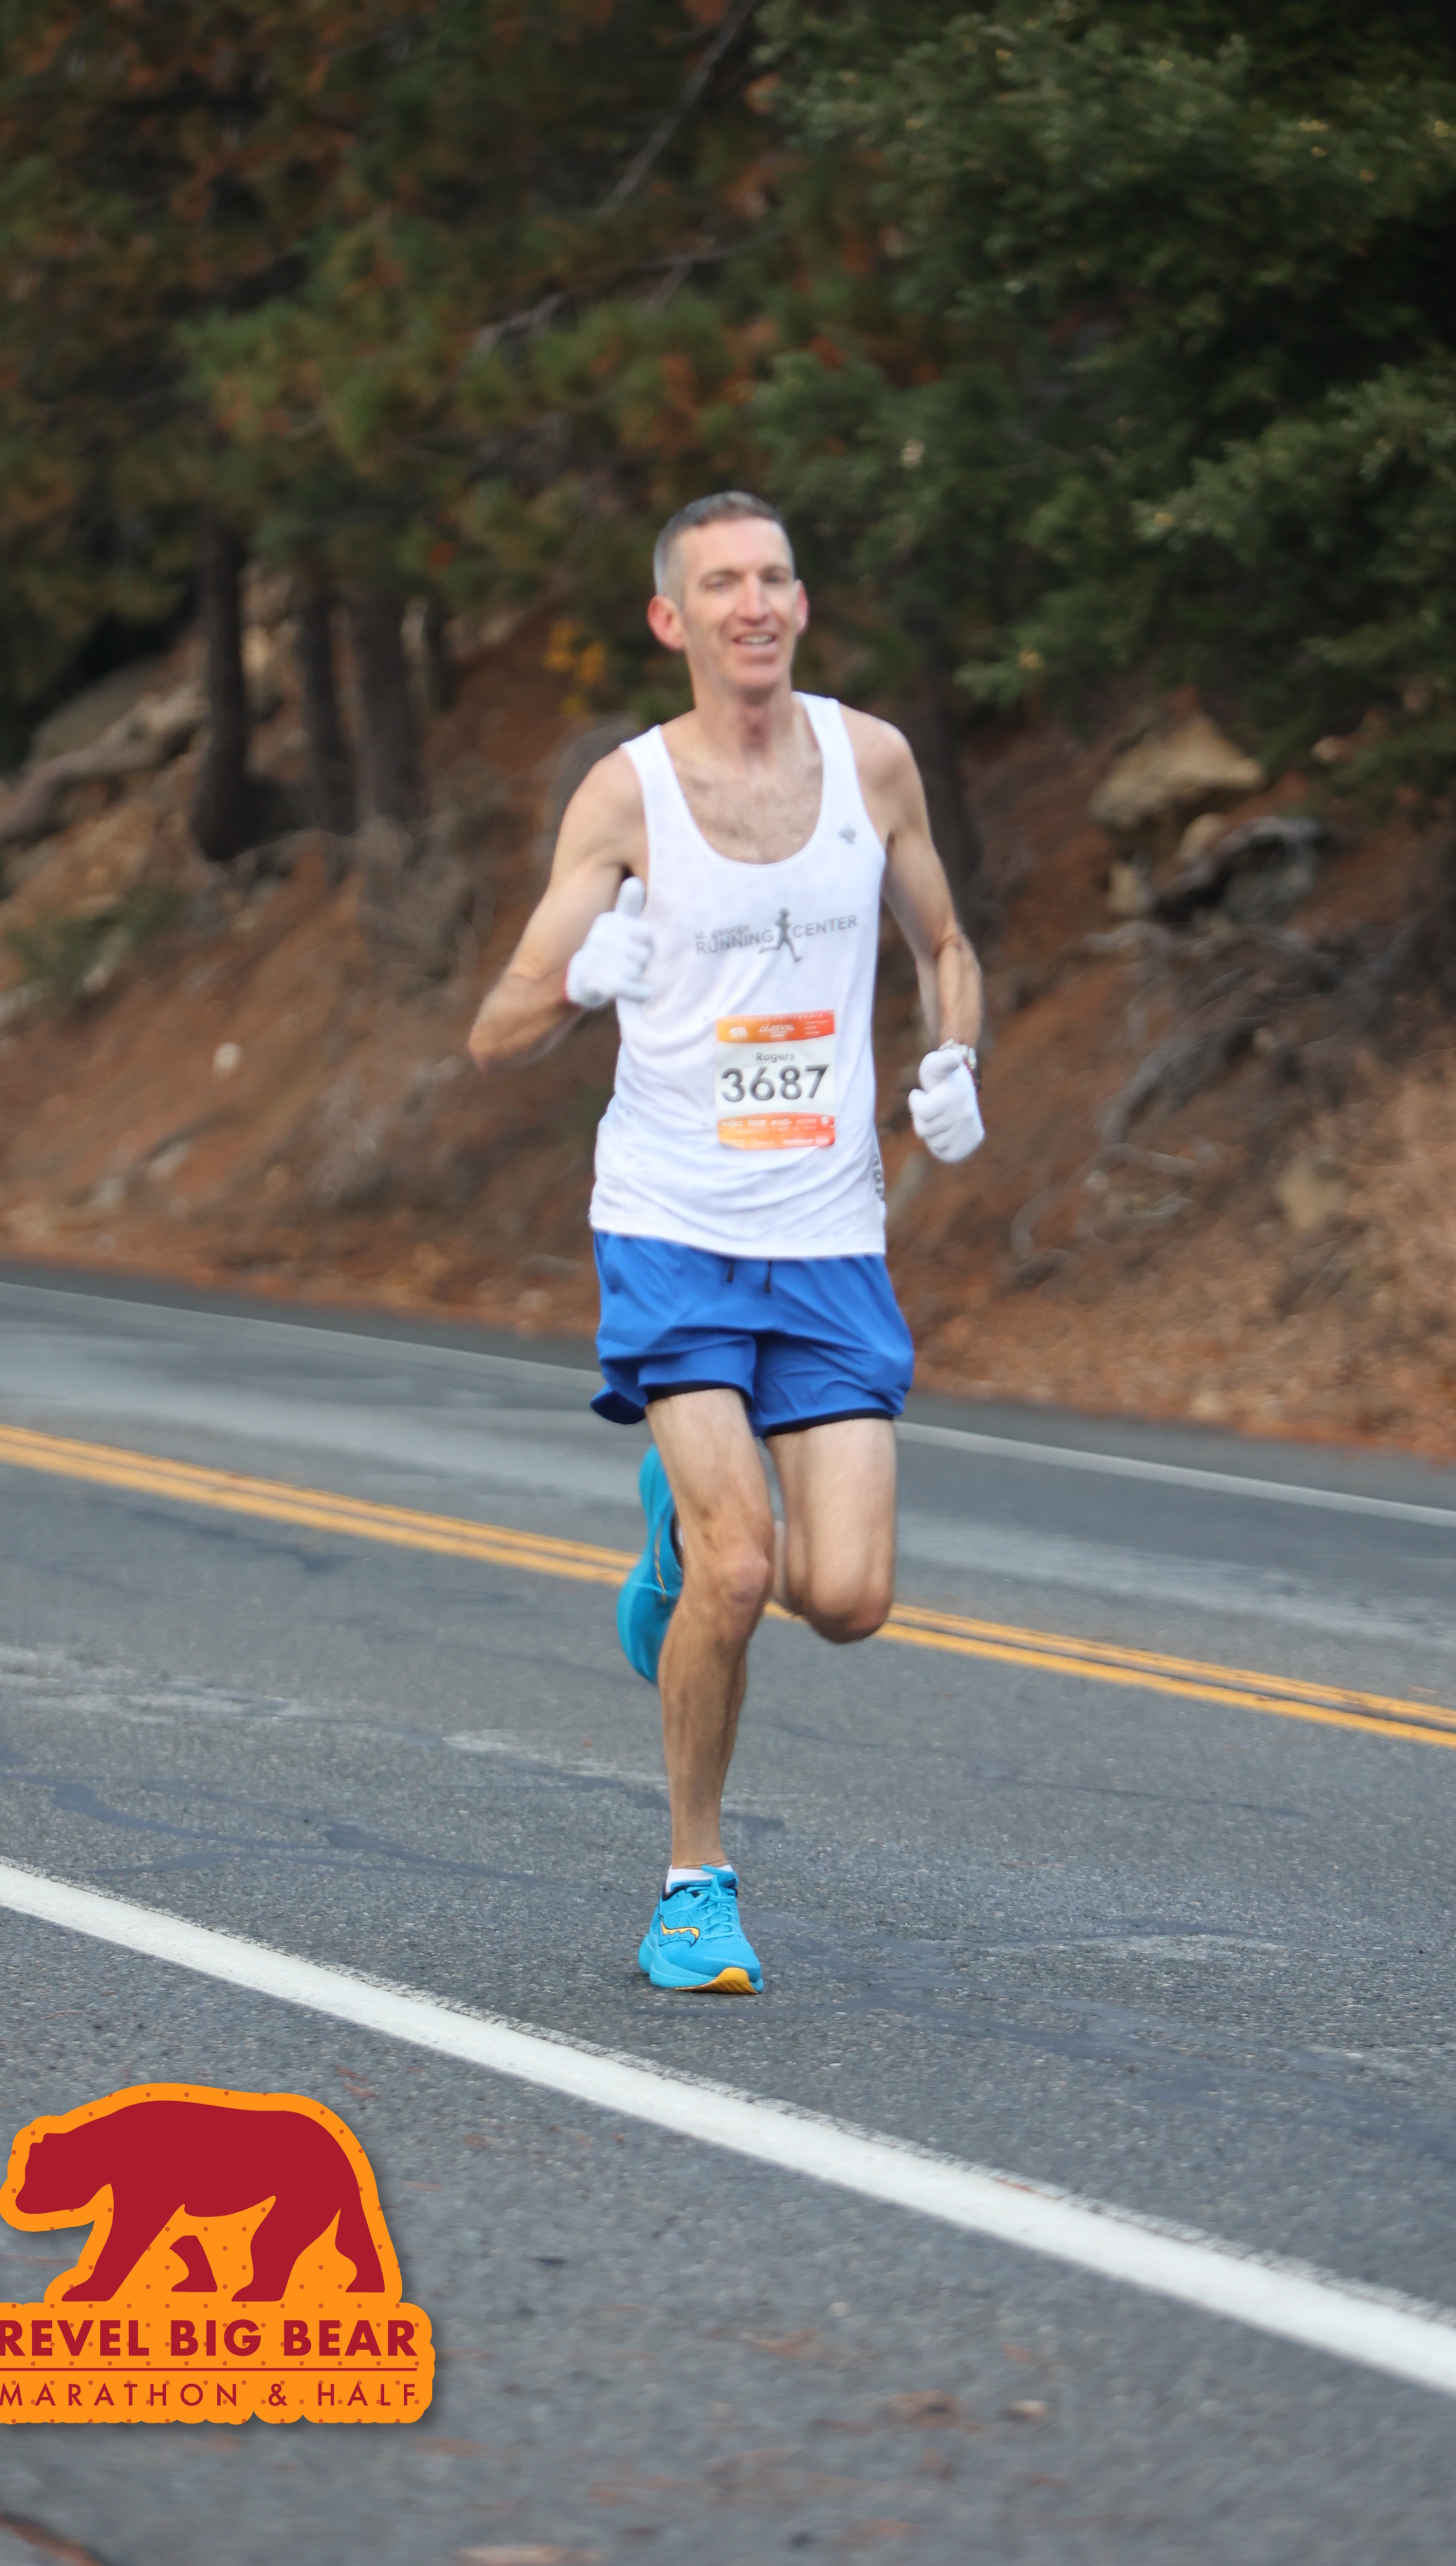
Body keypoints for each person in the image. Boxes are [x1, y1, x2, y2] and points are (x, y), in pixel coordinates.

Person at [468, 492, 984, 1994]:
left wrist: (956, 1054)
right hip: (673, 1226)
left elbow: (945, 943)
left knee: (849, 1599)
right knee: (743, 1567)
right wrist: (582, 975)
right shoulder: (625, 796)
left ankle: (672, 1526)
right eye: (720, 584)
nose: (752, 604)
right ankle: (693, 1887)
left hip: (828, 1235)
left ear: (801, 605)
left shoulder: (871, 763)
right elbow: (494, 1029)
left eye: (773, 578)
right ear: (670, 619)